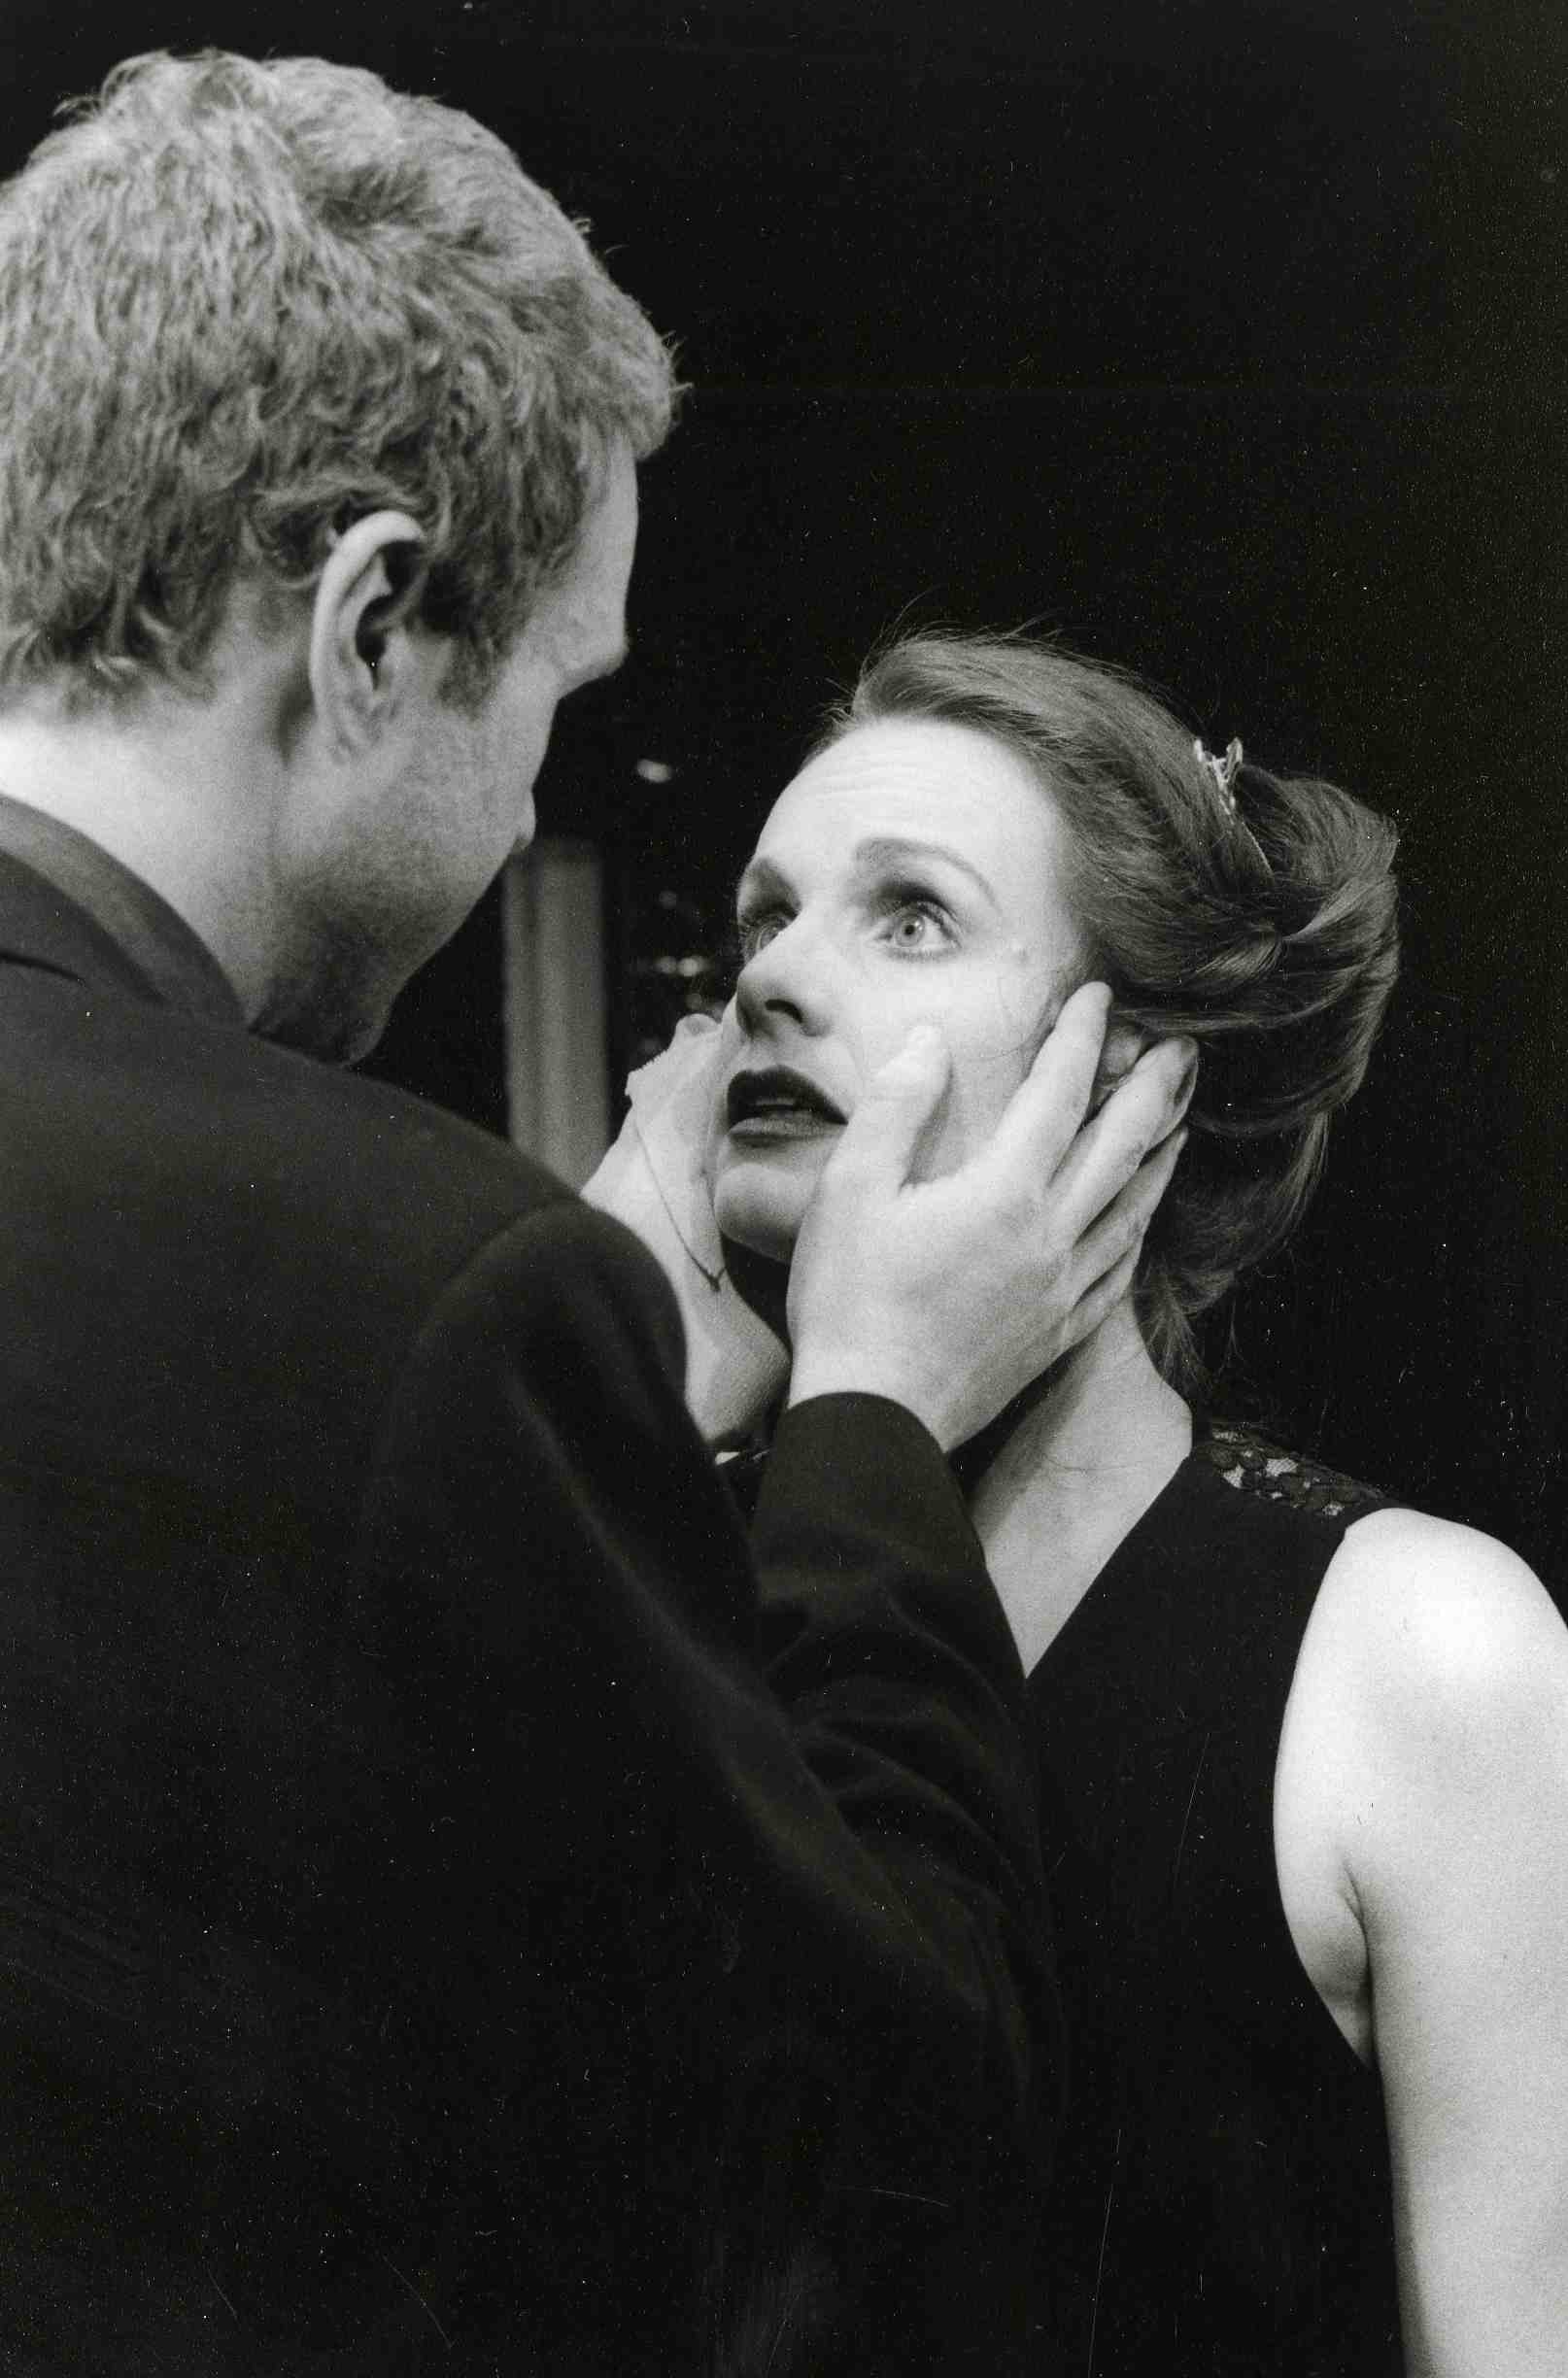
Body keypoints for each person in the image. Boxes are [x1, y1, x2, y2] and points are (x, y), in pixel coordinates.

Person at [0, 51, 1197, 2378]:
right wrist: (865, 1418)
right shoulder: (430, 1288)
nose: (522, 817)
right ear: (371, 625)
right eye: (550, 704)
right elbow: (869, 2166)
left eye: (907, 914)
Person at [591, 629, 1568, 2375]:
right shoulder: (643, 1579)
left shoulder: (1417, 1651)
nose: (772, 982)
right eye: (765, 919)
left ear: (1134, 1073)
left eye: (911, 917)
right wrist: (613, 1385)